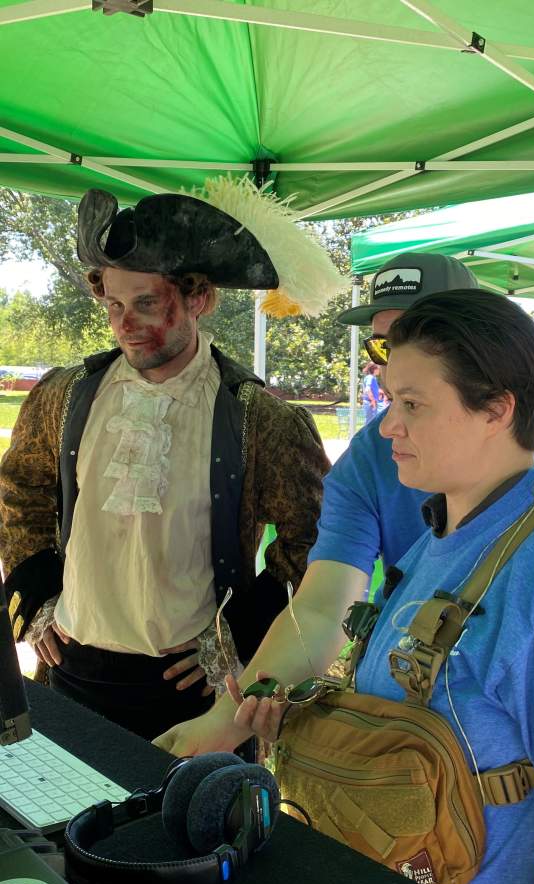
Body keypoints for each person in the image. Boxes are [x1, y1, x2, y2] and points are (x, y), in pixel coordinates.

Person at [177, 288, 534, 884]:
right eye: (391, 399)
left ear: (497, 410)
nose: (387, 424)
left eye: (413, 404)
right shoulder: (444, 536)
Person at [155, 251, 534, 754]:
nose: (393, 364)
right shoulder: (371, 459)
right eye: (384, 344)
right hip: (427, 743)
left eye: (419, 332)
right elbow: (324, 607)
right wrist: (232, 718)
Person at [0, 177, 344, 741]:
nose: (124, 322)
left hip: (193, 686)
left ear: (199, 298)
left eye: (145, 303)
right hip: (72, 668)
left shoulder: (261, 420)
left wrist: (235, 634)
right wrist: (36, 598)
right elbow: (22, 488)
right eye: (113, 303)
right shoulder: (65, 396)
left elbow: (315, 541)